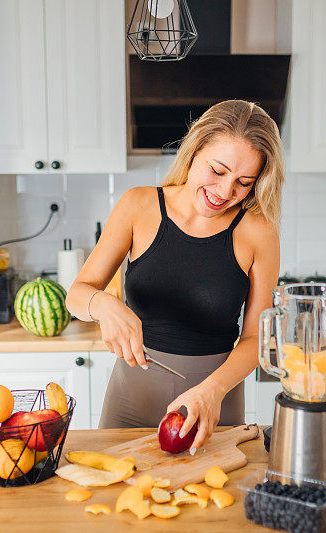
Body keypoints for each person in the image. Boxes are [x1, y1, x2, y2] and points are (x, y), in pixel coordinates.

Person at [66, 100, 284, 454]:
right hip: (129, 402)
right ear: (194, 150)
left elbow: (257, 338)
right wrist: (101, 303)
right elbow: (77, 294)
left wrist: (212, 391)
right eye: (217, 170)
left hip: (213, 406)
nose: (225, 192)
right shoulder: (138, 205)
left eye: (244, 183)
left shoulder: (260, 233)